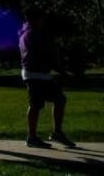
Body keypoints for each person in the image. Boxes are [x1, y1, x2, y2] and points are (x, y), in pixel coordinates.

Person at [19, 10, 76, 148]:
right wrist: (62, 71)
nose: (43, 21)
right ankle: (32, 137)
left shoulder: (30, 33)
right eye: (41, 18)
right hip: (34, 74)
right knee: (36, 105)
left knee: (59, 99)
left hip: (41, 74)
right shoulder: (32, 34)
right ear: (36, 19)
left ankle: (57, 133)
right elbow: (45, 55)